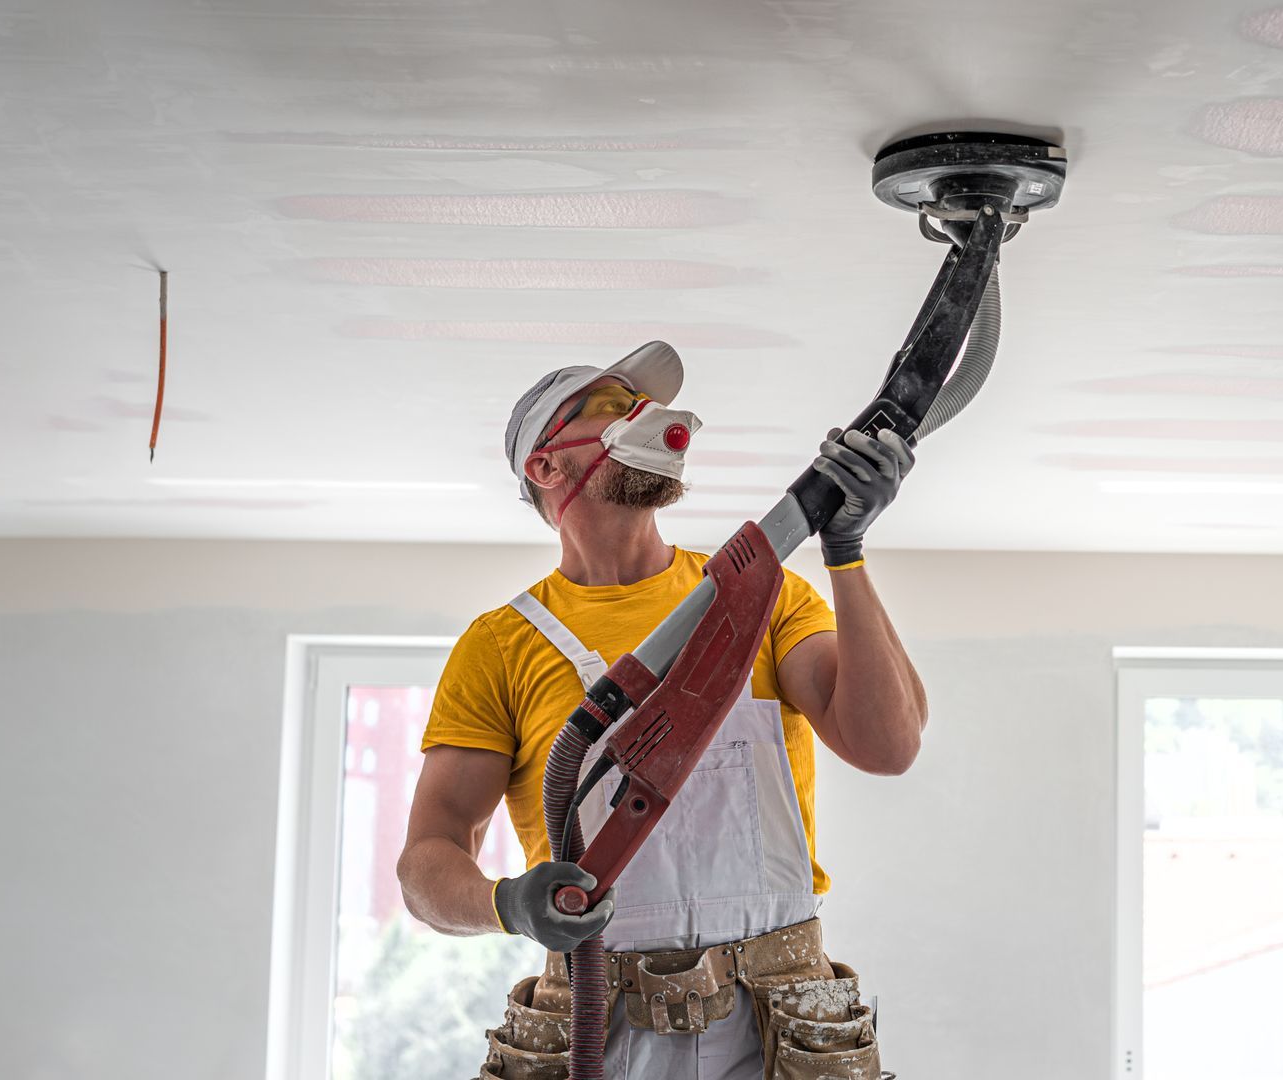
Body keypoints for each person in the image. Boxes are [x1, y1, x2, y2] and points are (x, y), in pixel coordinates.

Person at [397, 341, 926, 1079]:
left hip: (781, 1019)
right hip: (595, 1016)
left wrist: (845, 552)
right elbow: (427, 860)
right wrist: (510, 905)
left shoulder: (762, 595)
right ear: (545, 467)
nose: (645, 417)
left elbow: (888, 745)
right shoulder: (501, 645)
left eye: (644, 405)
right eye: (613, 408)